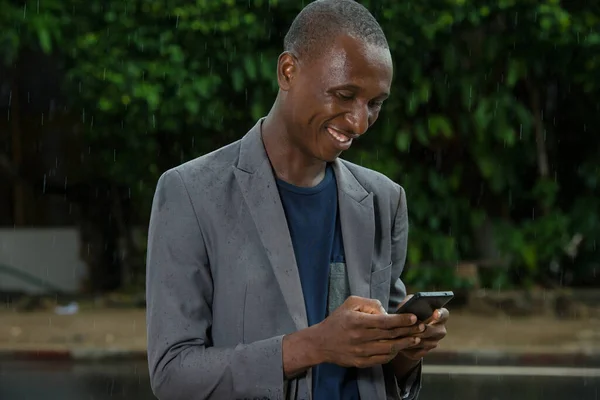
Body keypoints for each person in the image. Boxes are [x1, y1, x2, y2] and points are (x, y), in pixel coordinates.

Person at [145, 0, 450, 399]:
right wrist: (316, 345)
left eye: (374, 104)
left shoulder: (383, 200)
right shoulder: (191, 192)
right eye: (345, 95)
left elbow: (380, 369)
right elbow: (173, 375)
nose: (360, 122)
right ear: (288, 71)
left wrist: (407, 347)